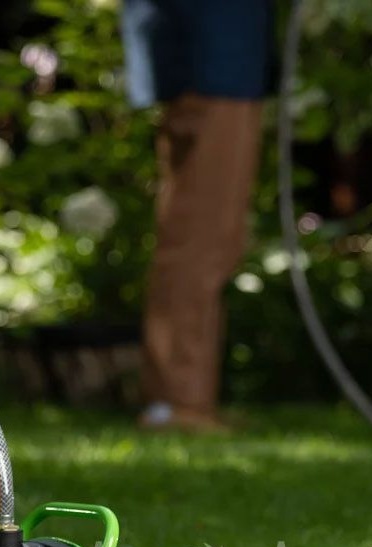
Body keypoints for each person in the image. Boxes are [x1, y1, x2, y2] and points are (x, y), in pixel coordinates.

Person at [121, 0, 274, 430]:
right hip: (216, 58)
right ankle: (179, 401)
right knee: (204, 237)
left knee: (195, 231)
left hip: (202, 56)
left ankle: (178, 398)